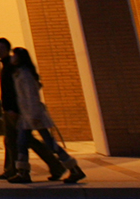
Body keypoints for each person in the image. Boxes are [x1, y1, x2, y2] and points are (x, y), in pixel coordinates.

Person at [9, 47, 85, 185]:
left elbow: (31, 96)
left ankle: (73, 169)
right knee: (22, 143)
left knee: (48, 144)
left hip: (33, 116)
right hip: (28, 116)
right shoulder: (21, 74)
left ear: (20, 58)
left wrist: (33, 115)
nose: (12, 58)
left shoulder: (25, 75)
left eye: (14, 55)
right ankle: (23, 172)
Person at [0, 37, 64, 181]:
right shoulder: (7, 67)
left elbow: (17, 91)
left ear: (8, 49)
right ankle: (11, 170)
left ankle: (56, 165)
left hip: (17, 111)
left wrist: (14, 109)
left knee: (27, 141)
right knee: (10, 141)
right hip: (10, 110)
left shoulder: (14, 68)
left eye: (0, 49)